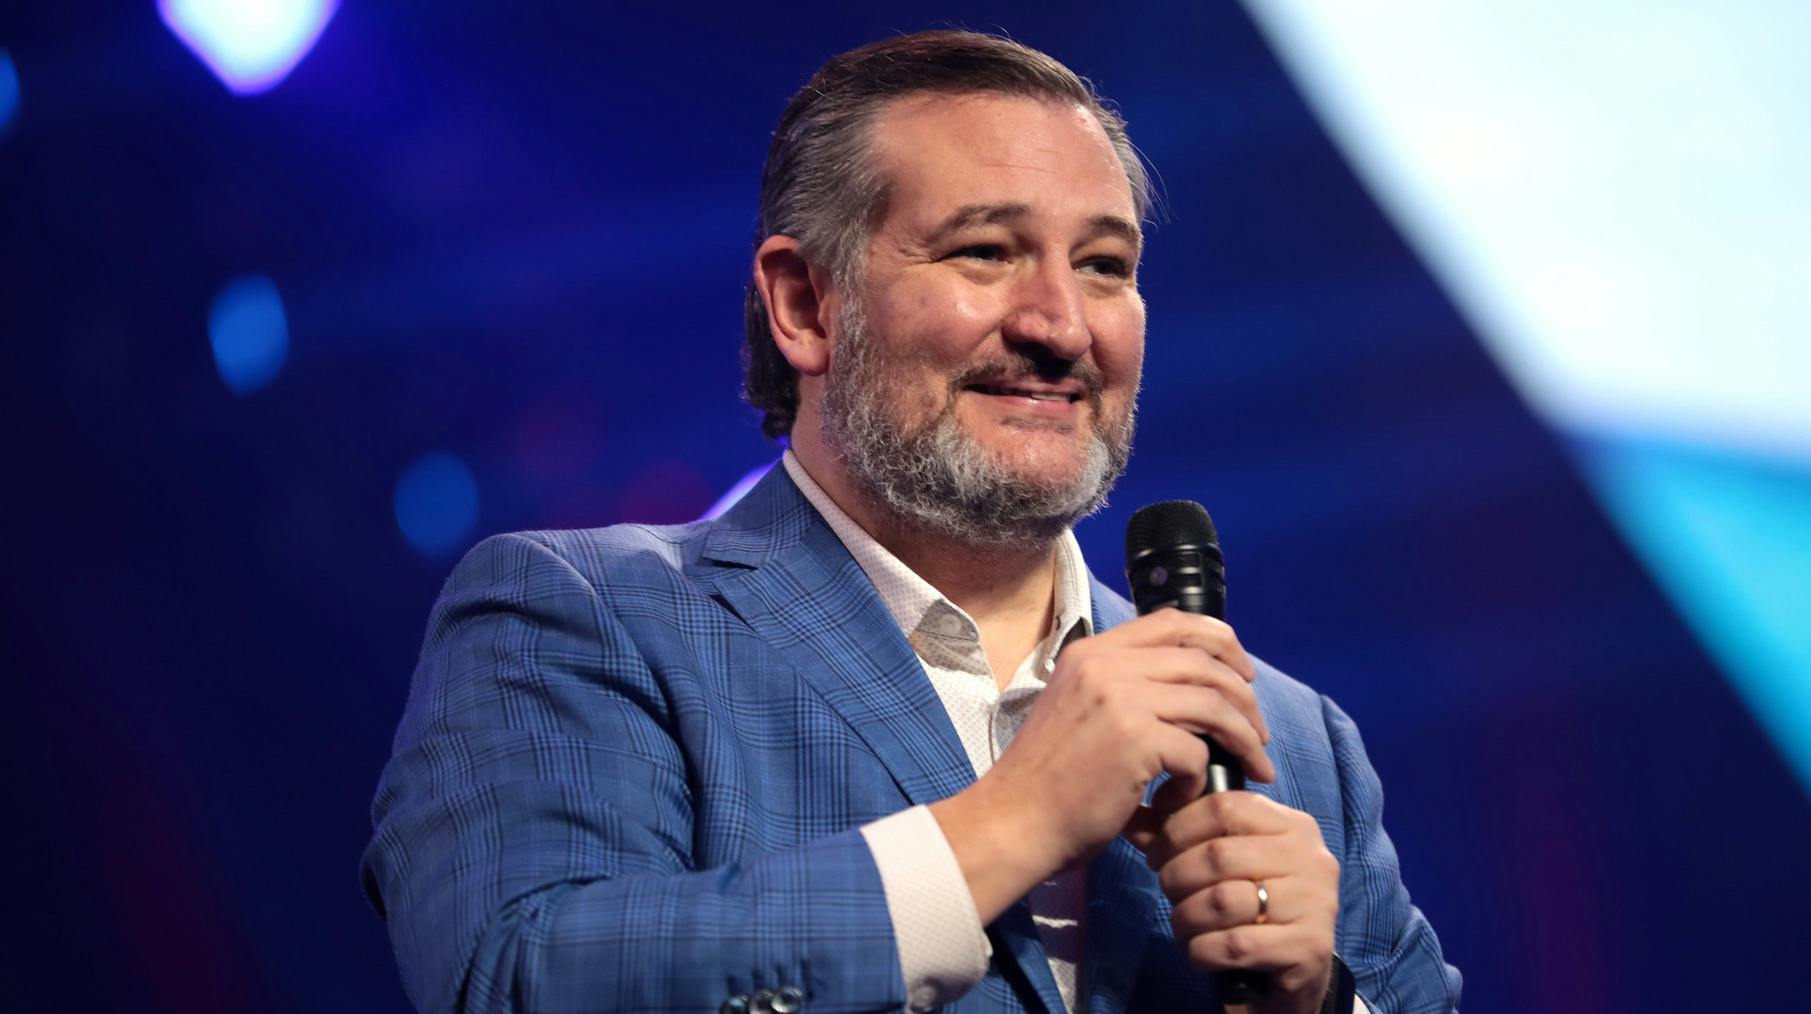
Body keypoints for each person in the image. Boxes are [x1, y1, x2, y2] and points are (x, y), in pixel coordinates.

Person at [362, 30, 1460, 1014]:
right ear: (804, 303)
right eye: (985, 250)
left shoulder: (1293, 738)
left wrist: (1318, 1007)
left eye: (1104, 266)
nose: (1061, 324)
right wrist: (1011, 824)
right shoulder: (591, 618)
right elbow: (518, 978)